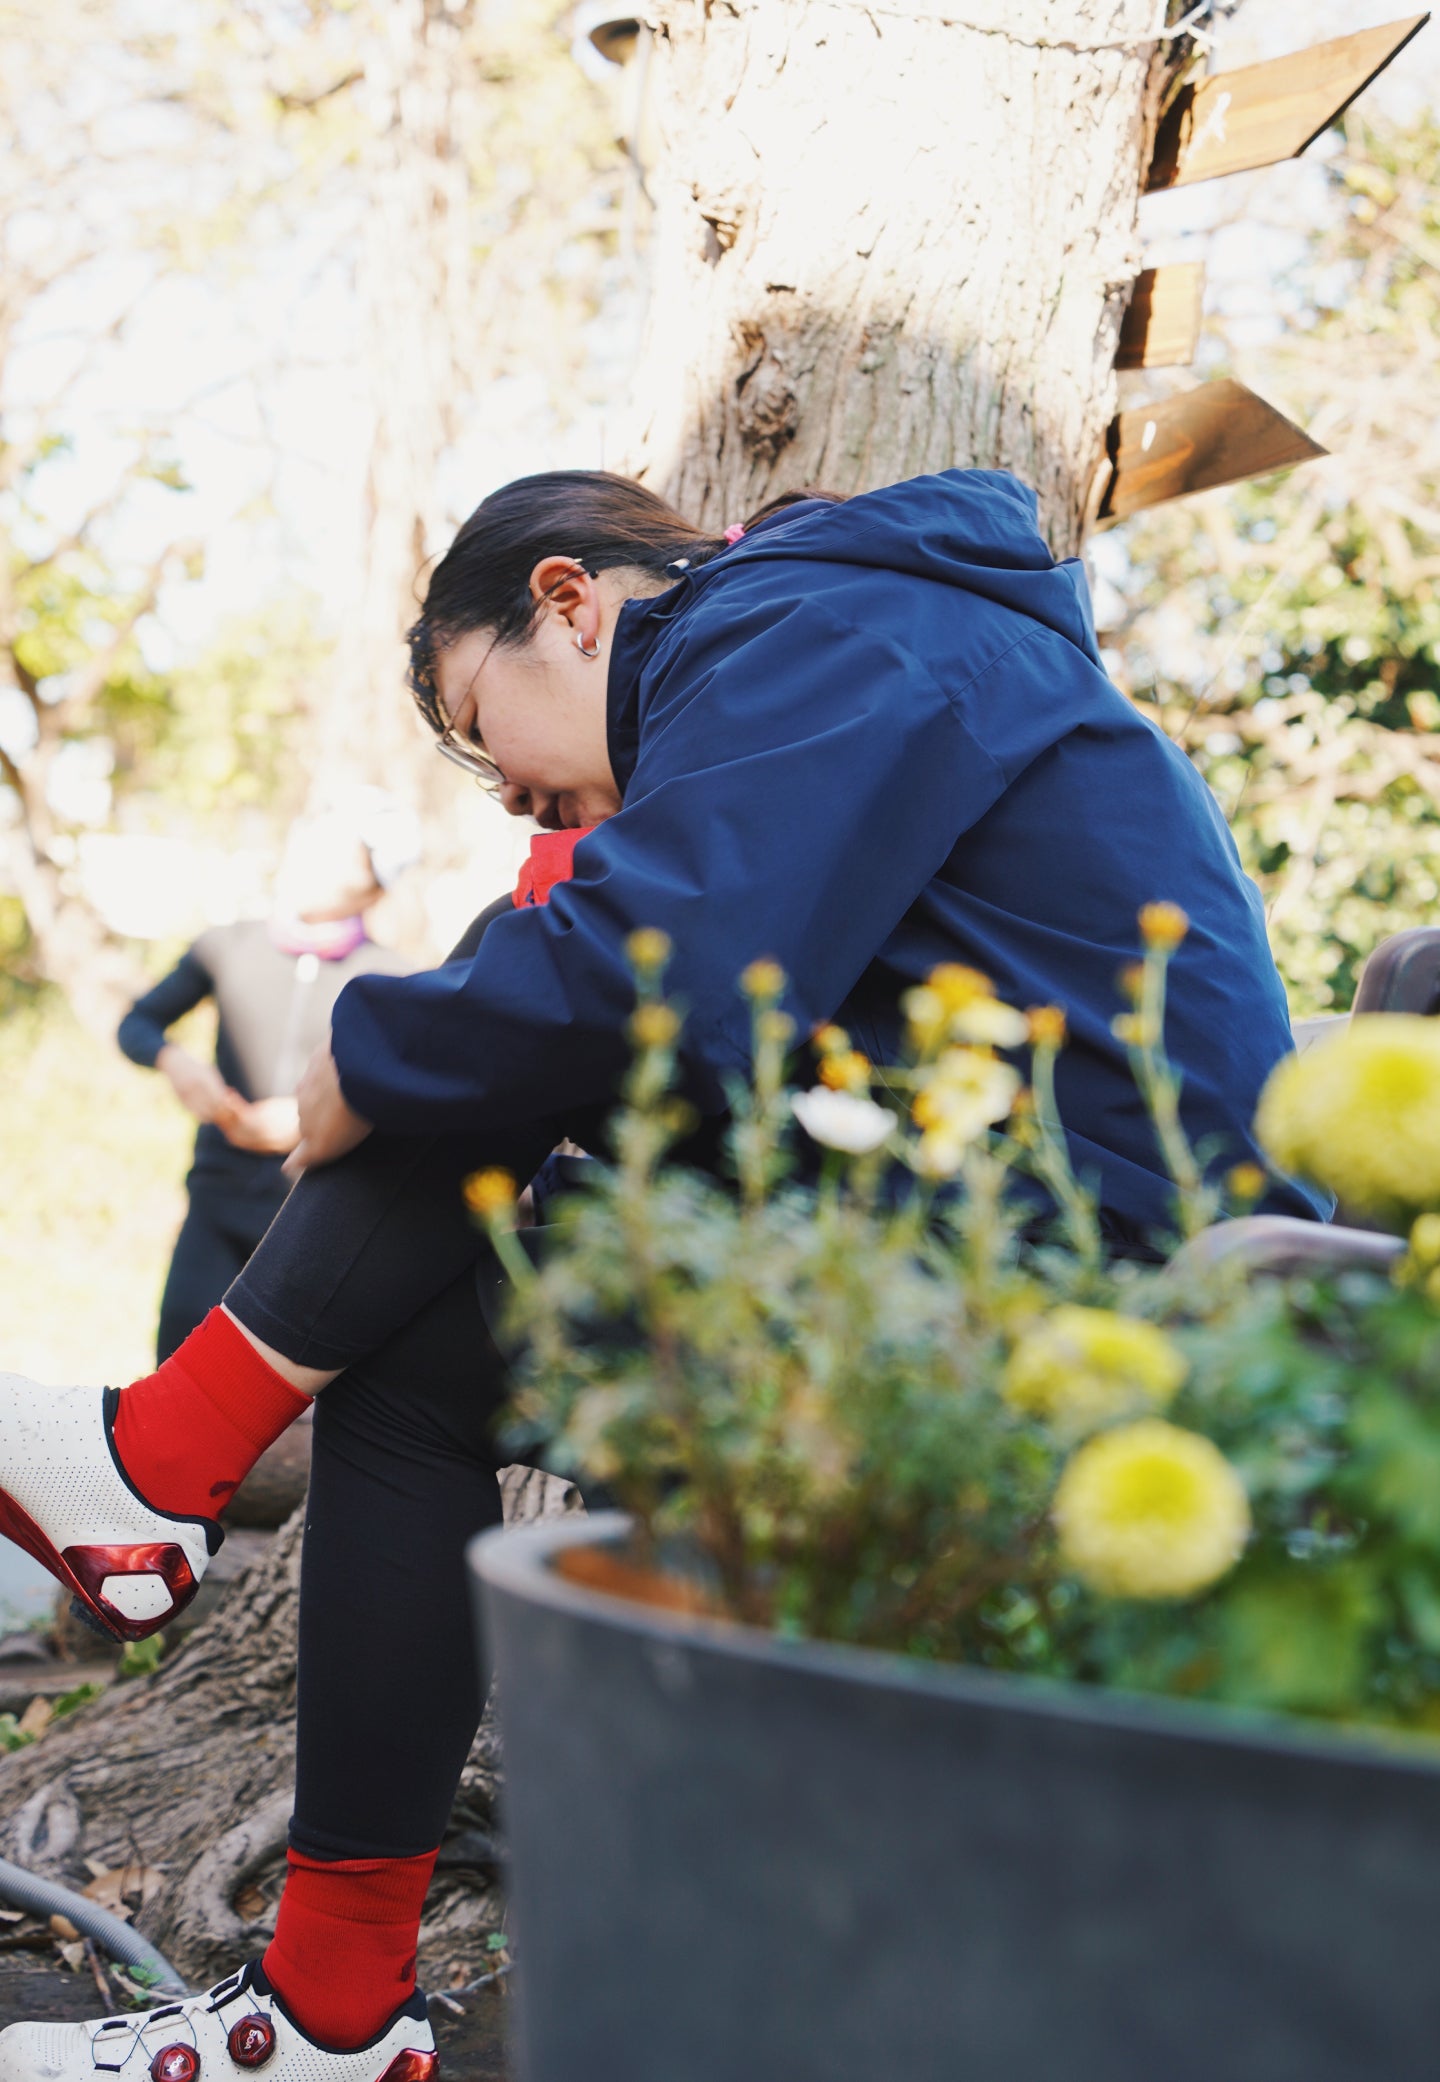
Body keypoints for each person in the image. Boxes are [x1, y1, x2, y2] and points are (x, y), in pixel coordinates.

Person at [0, 468, 1326, 2081]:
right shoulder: (844, 639)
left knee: (462, 1104)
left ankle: (167, 1491)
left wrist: (376, 1044)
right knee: (448, 1225)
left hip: (1084, 1290)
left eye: (492, 734)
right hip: (981, 1237)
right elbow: (699, 1019)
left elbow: (666, 983)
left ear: (569, 601)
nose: (519, 797)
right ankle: (317, 1968)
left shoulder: (826, 623)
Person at [118, 807, 417, 1362]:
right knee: (173, 1368)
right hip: (215, 1198)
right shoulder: (226, 946)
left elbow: (410, 1095)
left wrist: (327, 1116)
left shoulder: (392, 979)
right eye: (315, 847)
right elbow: (136, 1023)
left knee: (284, 1412)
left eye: (343, 864)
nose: (317, 869)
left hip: (313, 1220)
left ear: (375, 892)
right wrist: (175, 1062)